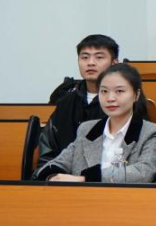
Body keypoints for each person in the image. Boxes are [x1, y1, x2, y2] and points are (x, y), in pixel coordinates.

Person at [35, 64, 156, 183]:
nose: (110, 98)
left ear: (136, 95)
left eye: (119, 91)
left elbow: (144, 172)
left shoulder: (151, 132)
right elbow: (58, 162)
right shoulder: (87, 129)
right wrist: (52, 177)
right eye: (104, 91)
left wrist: (85, 179)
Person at [38, 34, 119, 170]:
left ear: (114, 63)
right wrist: (50, 174)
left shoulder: (123, 103)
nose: (90, 63)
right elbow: (47, 153)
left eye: (99, 57)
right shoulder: (65, 103)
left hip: (107, 178)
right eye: (85, 57)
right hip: (62, 176)